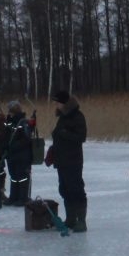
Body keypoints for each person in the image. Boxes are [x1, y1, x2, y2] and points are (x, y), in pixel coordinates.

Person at [47, 88, 87, 232]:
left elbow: (81, 137)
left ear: (64, 103)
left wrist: (64, 134)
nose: (56, 105)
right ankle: (70, 219)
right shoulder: (63, 117)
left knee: (76, 189)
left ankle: (81, 221)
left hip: (73, 160)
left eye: (57, 102)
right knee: (65, 189)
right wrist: (53, 151)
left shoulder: (77, 116)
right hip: (62, 160)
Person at [2, 101, 34, 206]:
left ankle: (23, 197)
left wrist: (13, 146)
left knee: (22, 176)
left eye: (11, 110)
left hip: (22, 154)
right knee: (14, 176)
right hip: (11, 155)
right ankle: (14, 196)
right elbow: (5, 134)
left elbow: (26, 139)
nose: (9, 113)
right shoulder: (8, 121)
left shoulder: (23, 122)